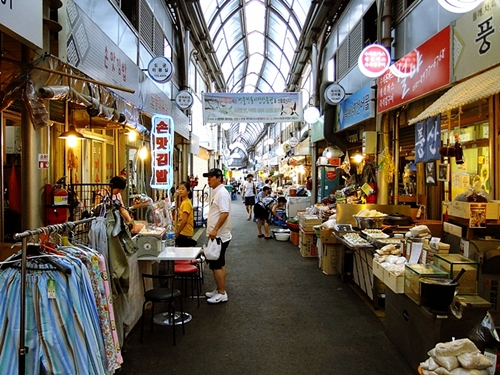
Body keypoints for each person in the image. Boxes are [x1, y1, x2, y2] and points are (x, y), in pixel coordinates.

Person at [203, 168, 232, 304]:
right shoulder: (218, 192)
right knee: (219, 263)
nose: (208, 180)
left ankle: (222, 293)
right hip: (219, 235)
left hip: (219, 236)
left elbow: (224, 213)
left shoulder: (221, 194)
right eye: (208, 177)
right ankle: (219, 289)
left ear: (219, 178)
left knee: (216, 264)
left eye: (211, 177)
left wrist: (215, 230)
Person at [175, 181, 197, 247]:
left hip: (184, 232)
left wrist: (177, 232)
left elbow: (184, 220)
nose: (180, 191)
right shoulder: (184, 202)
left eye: (183, 189)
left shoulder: (186, 203)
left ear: (188, 191)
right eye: (179, 189)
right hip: (184, 232)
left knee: (183, 253)